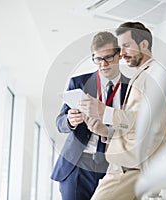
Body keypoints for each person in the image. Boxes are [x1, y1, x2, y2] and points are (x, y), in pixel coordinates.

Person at [79, 22, 166, 200]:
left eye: (126, 46)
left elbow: (152, 121)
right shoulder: (144, 74)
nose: (122, 53)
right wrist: (106, 131)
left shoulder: (158, 74)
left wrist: (105, 112)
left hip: (132, 167)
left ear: (144, 45)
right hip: (128, 165)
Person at [51, 31, 130, 200]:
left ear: (119, 55)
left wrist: (107, 132)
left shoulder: (131, 89)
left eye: (108, 57)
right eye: (98, 59)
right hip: (77, 164)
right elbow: (59, 122)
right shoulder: (78, 83)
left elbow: (133, 129)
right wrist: (70, 121)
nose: (103, 64)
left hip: (112, 166)